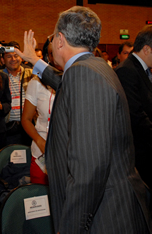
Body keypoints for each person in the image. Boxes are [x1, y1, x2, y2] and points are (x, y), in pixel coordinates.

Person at [16, 6, 151, 233]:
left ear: (59, 40)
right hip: (113, 204)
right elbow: (66, 84)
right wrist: (34, 61)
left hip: (105, 215)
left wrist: (71, 226)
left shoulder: (83, 74)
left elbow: (89, 168)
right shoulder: (94, 66)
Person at [115, 25, 152, 202]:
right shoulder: (127, 70)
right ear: (146, 49)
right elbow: (135, 116)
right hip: (139, 153)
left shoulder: (141, 70)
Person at [21, 75, 54, 185]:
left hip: (69, 153)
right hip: (41, 151)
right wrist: (40, 142)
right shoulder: (36, 82)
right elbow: (26, 119)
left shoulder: (76, 77)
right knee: (40, 195)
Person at [0, 41, 34, 146]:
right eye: (9, 56)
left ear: (21, 58)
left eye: (16, 56)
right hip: (8, 126)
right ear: (2, 60)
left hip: (30, 126)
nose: (13, 59)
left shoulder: (32, 74)